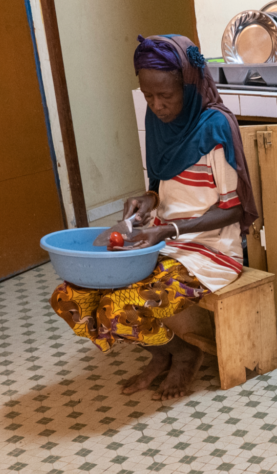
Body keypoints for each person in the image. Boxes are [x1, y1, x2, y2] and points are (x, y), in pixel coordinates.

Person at [50, 35, 260, 401]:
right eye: (148, 96)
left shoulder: (215, 127)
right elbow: (164, 186)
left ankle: (184, 354)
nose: (157, 106)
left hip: (209, 250)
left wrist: (171, 229)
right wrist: (146, 201)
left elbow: (235, 207)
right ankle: (162, 353)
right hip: (164, 239)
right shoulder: (160, 121)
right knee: (71, 297)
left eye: (166, 96)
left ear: (190, 85)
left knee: (119, 306)